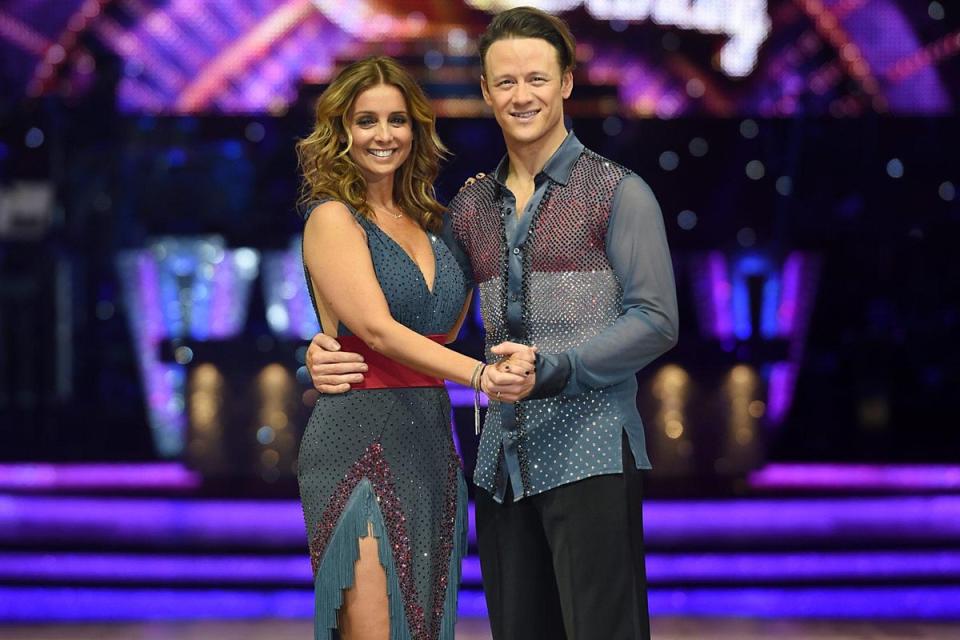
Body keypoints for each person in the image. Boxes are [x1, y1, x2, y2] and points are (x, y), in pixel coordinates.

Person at [307, 8, 679, 639]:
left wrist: (558, 369)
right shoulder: (472, 206)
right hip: (499, 464)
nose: (521, 95)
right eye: (505, 82)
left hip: (589, 451)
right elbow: (407, 313)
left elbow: (656, 321)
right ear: (485, 91)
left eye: (536, 78)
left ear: (565, 83)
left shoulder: (617, 192)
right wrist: (319, 350)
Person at [295, 55, 536, 640]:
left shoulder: (428, 223)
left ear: (417, 129)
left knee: (425, 627)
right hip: (357, 438)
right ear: (340, 131)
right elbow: (376, 332)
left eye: (397, 120)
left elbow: (440, 330)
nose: (384, 135)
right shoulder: (332, 217)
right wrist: (481, 377)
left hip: (430, 442)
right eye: (366, 120)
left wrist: (477, 225)